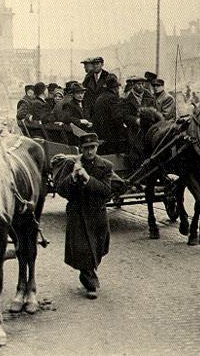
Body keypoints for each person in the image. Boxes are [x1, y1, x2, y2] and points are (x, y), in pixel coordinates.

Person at [56, 132, 112, 299]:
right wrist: (72, 176)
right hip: (78, 213)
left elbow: (106, 191)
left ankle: (88, 271)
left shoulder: (106, 166)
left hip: (98, 213)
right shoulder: (71, 164)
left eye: (92, 148)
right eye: (86, 148)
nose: (89, 152)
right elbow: (61, 189)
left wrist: (87, 178)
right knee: (84, 249)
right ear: (81, 149)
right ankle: (90, 281)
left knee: (99, 247)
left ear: (97, 147)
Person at [93, 75, 128, 154]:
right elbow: (117, 118)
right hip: (111, 137)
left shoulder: (100, 97)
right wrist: (123, 132)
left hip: (100, 134)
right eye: (118, 88)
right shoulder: (113, 98)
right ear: (115, 88)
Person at [82, 57, 111, 122]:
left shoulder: (108, 77)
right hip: (91, 113)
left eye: (97, 64)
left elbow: (112, 95)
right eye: (93, 64)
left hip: (104, 112)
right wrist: (87, 114)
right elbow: (85, 95)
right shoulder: (88, 77)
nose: (95, 66)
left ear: (102, 64)